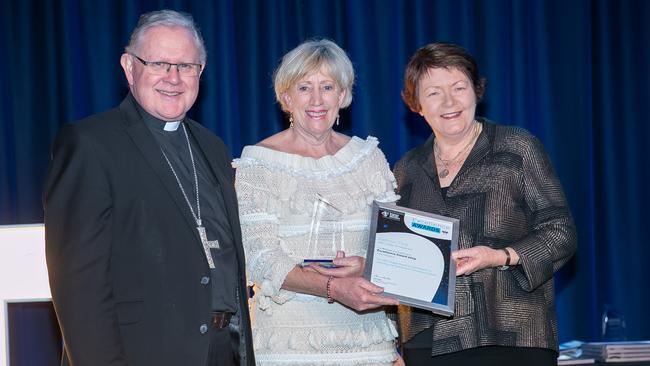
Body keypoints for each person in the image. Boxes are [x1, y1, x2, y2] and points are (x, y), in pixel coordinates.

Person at [43, 10, 254, 366]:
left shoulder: (212, 146)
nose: (173, 78)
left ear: (200, 72)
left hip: (221, 350)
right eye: (159, 63)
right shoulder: (90, 144)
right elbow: (78, 286)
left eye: (186, 66)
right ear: (129, 67)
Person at [393, 42, 577, 365]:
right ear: (417, 105)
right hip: (426, 340)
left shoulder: (516, 148)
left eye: (459, 87)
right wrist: (394, 341)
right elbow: (397, 259)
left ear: (476, 92)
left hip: (509, 336)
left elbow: (561, 233)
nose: (449, 101)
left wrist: (500, 256)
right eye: (434, 92)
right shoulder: (406, 169)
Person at [233, 39, 403, 365]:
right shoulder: (258, 164)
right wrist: (332, 288)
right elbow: (260, 258)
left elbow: (393, 247)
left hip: (368, 342)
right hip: (287, 344)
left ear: (342, 96)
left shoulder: (369, 159)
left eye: (327, 87)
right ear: (286, 97)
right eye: (304, 87)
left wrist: (367, 265)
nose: (316, 99)